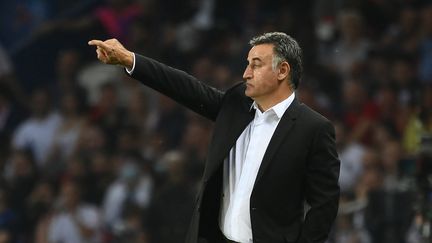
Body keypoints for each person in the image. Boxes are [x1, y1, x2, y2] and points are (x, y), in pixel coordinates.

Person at [89, 32, 340, 243]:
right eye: (247, 63)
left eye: (255, 64)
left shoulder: (314, 129)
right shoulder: (236, 105)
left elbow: (324, 205)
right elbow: (184, 87)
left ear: (283, 70)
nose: (246, 73)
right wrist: (130, 60)